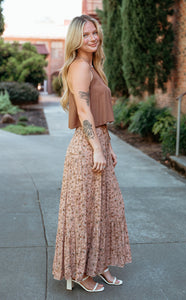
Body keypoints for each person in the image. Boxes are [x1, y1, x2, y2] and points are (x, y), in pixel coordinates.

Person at [52, 14, 132, 293]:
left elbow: (99, 116)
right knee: (85, 213)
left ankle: (99, 264)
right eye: (86, 35)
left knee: (105, 210)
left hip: (99, 143)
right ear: (77, 39)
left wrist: (108, 147)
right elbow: (84, 110)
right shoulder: (79, 67)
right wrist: (97, 148)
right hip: (87, 149)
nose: (93, 38)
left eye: (95, 32)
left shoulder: (92, 66)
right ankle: (81, 273)